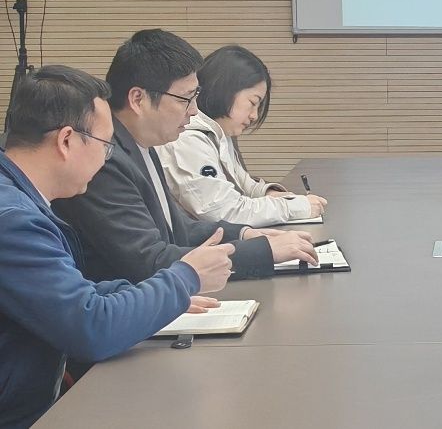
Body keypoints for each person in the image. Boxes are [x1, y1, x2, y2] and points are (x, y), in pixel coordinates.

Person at [0, 66, 235, 428]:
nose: (106, 158)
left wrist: (157, 297)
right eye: (106, 145)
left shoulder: (18, 199)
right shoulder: (14, 221)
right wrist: (186, 277)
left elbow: (71, 294)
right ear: (67, 141)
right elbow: (91, 328)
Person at [53, 29, 317, 284]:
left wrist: (245, 234)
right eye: (185, 99)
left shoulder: (143, 143)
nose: (194, 111)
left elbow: (178, 229)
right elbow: (150, 260)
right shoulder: (104, 158)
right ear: (138, 99)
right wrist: (263, 251)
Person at [157, 45, 327, 226]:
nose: (254, 115)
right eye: (253, 103)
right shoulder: (189, 139)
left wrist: (270, 194)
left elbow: (244, 185)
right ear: (226, 89)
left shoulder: (218, 133)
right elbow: (223, 211)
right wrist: (294, 207)